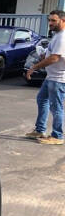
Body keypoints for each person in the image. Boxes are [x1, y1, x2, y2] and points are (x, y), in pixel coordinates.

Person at [25, 10, 65, 145]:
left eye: (54, 20)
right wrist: (44, 55)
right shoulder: (57, 35)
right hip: (51, 77)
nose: (50, 23)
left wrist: (34, 67)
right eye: (49, 20)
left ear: (63, 21)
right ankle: (40, 130)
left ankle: (57, 136)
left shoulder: (62, 37)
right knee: (42, 99)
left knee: (56, 107)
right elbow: (52, 54)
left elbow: (55, 58)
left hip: (58, 79)